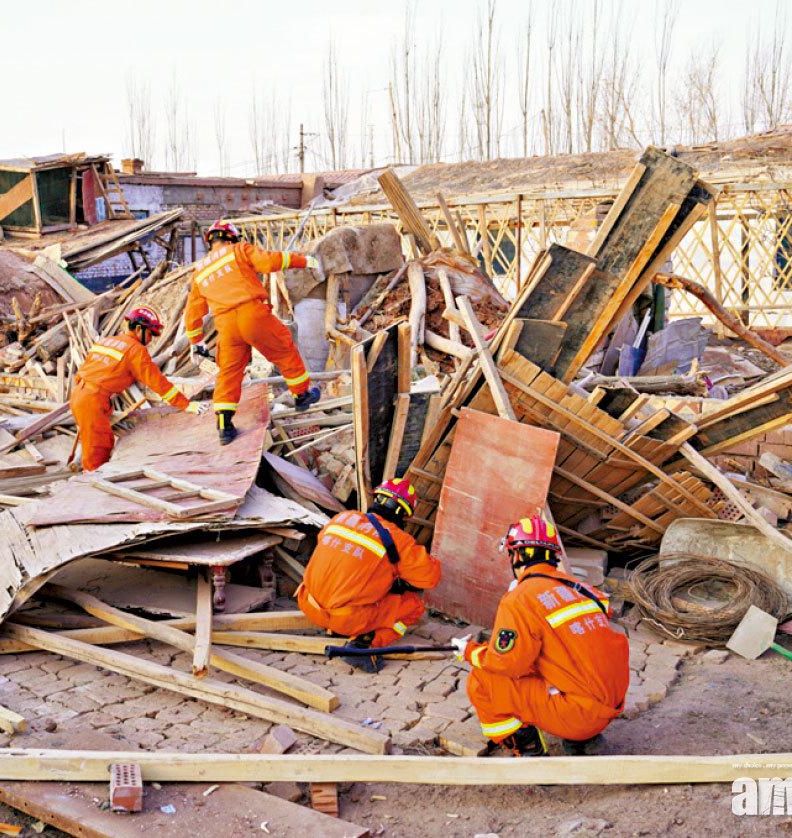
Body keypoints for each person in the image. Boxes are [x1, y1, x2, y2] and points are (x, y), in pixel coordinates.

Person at [453, 515, 629, 756]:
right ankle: (583, 740)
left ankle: (529, 753)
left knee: (482, 680)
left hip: (579, 716)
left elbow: (506, 663)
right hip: (610, 706)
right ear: (553, 556)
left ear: (516, 556)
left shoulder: (519, 599)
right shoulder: (583, 590)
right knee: (546, 662)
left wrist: (469, 652)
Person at [184, 220, 320, 445]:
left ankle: (224, 427)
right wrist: (303, 260)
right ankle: (301, 395)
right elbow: (270, 261)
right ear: (231, 237)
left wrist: (196, 340)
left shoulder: (199, 272)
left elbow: (193, 311)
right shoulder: (239, 250)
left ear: (211, 241)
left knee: (229, 372)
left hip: (225, 325)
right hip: (251, 314)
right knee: (283, 349)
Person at [297, 478, 441, 672]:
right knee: (414, 606)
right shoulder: (398, 540)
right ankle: (365, 645)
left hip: (308, 602)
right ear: (404, 516)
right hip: (345, 619)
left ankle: (335, 627)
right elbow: (431, 577)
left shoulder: (341, 518)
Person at [70, 306, 207, 471]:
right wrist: (186, 404)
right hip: (92, 400)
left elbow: (89, 370)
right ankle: (92, 484)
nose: (150, 340)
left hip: (79, 393)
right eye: (149, 334)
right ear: (138, 328)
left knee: (98, 441)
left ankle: (91, 475)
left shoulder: (107, 341)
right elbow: (158, 382)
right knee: (98, 449)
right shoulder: (135, 351)